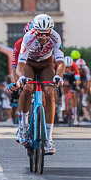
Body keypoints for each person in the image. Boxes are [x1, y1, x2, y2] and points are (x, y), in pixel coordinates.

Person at [16, 14, 65, 153]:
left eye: (46, 34)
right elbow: (20, 64)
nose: (44, 37)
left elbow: (60, 63)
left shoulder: (55, 37)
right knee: (27, 88)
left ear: (51, 31)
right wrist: (20, 77)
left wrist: (58, 76)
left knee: (50, 93)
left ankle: (49, 140)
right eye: (40, 34)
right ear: (35, 31)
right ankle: (22, 128)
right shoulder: (28, 38)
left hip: (46, 65)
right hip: (29, 64)